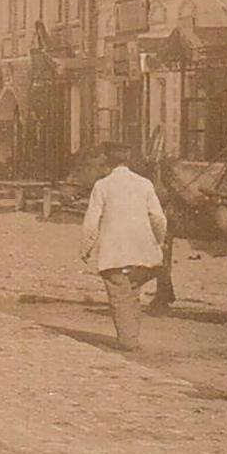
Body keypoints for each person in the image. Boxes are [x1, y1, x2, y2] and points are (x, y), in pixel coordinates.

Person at [80, 142, 168, 352]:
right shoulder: (145, 184)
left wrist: (86, 248)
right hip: (142, 252)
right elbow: (158, 218)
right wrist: (158, 241)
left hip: (115, 253)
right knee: (133, 294)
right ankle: (132, 337)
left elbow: (91, 222)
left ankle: (128, 342)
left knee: (119, 297)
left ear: (106, 163)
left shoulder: (102, 186)